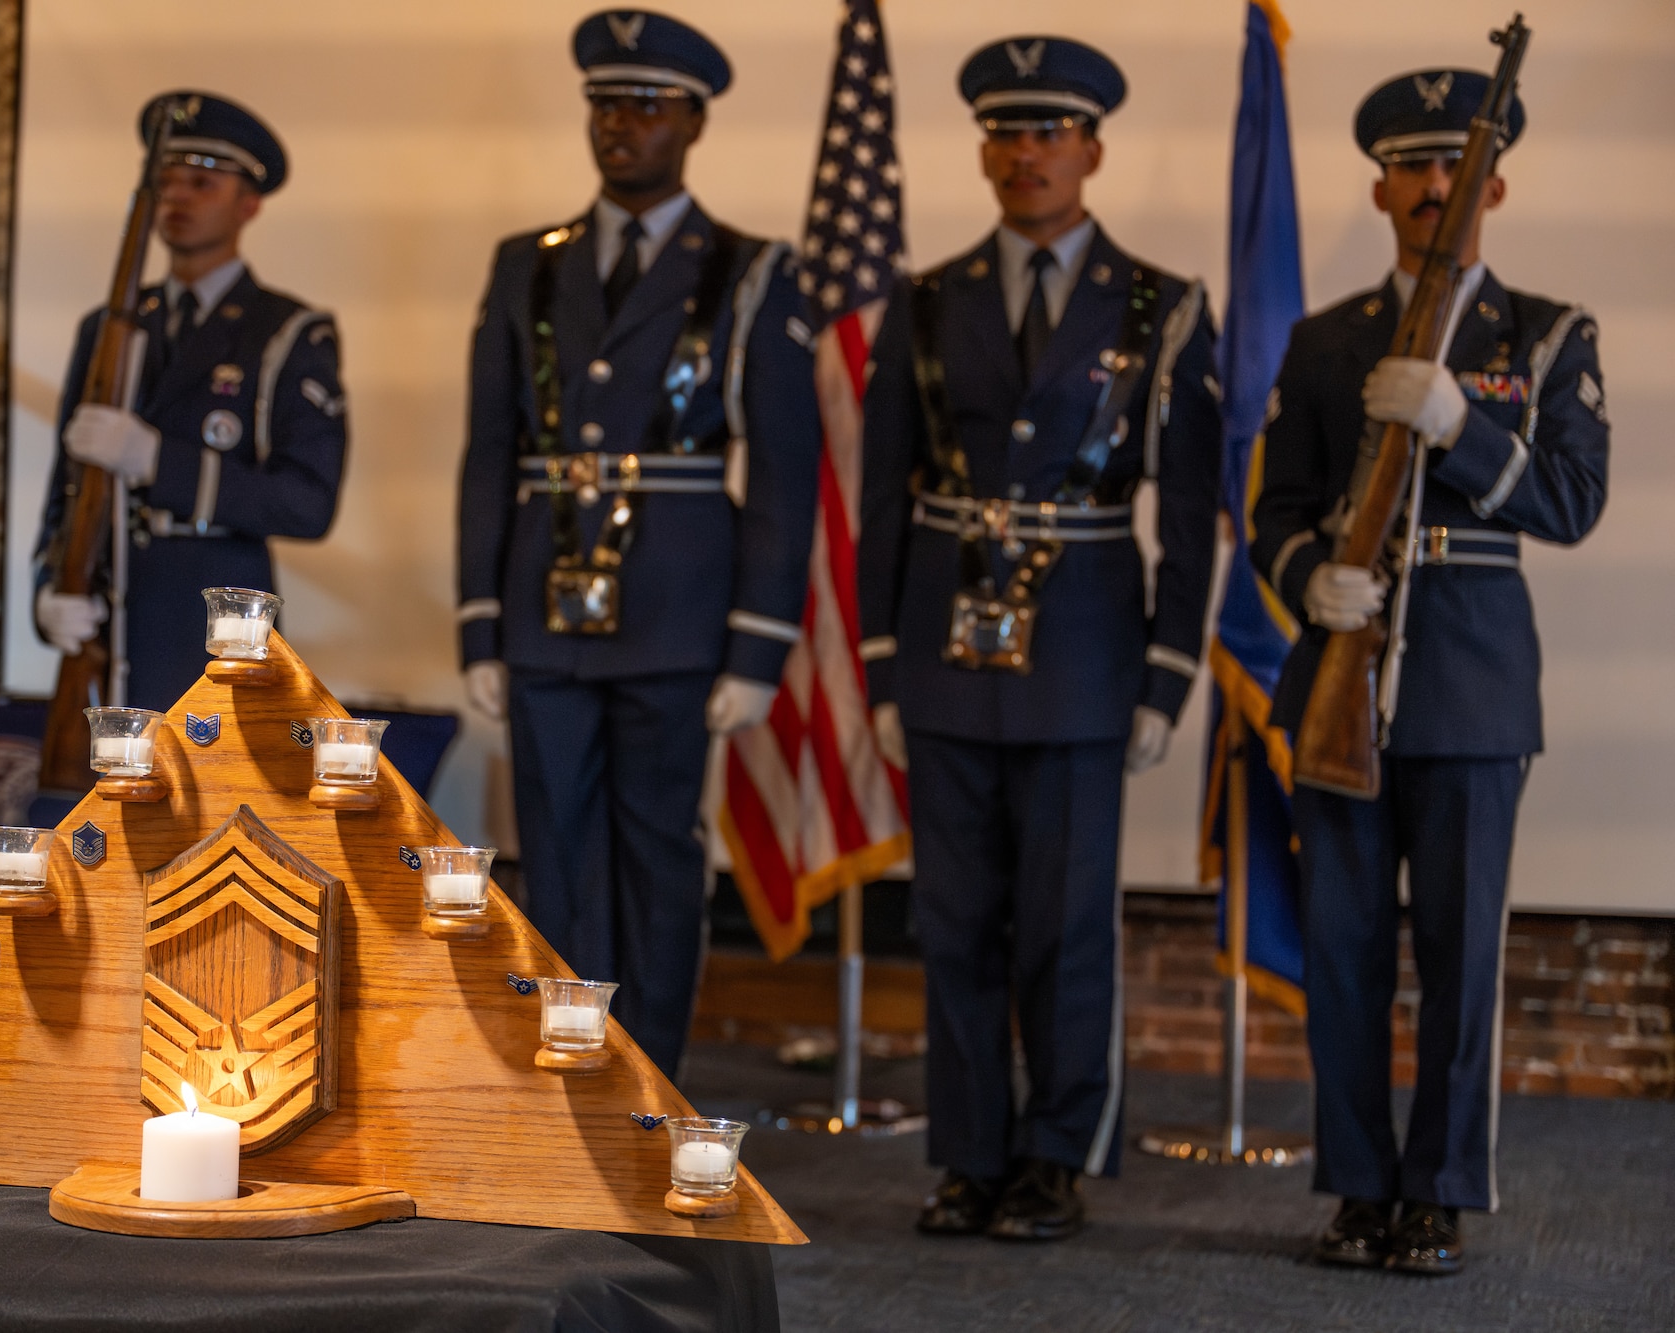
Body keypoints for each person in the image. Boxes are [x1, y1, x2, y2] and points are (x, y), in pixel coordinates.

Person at [856, 37, 1221, 1241]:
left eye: (1049, 133)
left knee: (1064, 925)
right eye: (1006, 134)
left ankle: (1055, 1155)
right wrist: (877, 664)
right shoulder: (923, 301)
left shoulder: (1161, 306)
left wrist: (1166, 672)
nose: (1026, 155)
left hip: (1082, 654)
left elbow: (1189, 511)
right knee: (954, 920)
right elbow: (880, 496)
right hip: (941, 649)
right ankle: (969, 1154)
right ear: (982, 153)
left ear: (1092, 152)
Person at [1251, 70, 1607, 1275]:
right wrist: (1307, 577)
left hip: (1468, 685)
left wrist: (1463, 426)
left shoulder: (1544, 334)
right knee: (1342, 952)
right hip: (1338, 676)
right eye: (1410, 166)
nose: (1432, 186)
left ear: (1491, 189)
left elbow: (1571, 502)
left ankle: (1439, 1190)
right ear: (1379, 189)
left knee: (1458, 960)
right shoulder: (1321, 340)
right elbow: (1276, 509)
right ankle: (1358, 1187)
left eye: (1454, 166)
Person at [456, 11, 821, 1078]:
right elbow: (489, 451)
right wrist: (480, 619)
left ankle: (649, 1082)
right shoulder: (526, 267)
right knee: (555, 849)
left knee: (660, 851)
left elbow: (784, 472)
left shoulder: (749, 270)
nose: (621, 125)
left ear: (695, 124)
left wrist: (757, 646)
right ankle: (566, 1072)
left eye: (648, 106)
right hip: (543, 605)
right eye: (606, 104)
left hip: (677, 609)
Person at [34, 92, 347, 713]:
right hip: (114, 619)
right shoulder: (108, 328)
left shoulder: (286, 331)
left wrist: (159, 463)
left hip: (220, 622)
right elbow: (67, 492)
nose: (177, 198)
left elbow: (307, 503)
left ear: (248, 205)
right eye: (166, 182)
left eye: (202, 183)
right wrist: (47, 591)